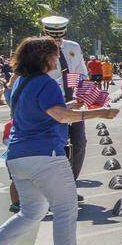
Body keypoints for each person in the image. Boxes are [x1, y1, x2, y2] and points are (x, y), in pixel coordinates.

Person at [0, 36, 119, 245]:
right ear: (44, 59)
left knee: (32, 211)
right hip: (45, 155)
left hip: (18, 156)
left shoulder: (21, 83)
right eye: (54, 55)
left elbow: (47, 109)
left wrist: (75, 104)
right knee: (66, 206)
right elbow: (61, 116)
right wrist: (101, 113)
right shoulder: (47, 83)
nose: (58, 60)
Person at [41, 16, 89, 183]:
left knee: (79, 143)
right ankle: (52, 186)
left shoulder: (72, 47)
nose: (57, 42)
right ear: (45, 33)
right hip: (50, 104)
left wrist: (79, 92)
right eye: (53, 38)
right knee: (53, 145)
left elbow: (79, 73)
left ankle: (70, 183)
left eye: (59, 38)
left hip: (73, 103)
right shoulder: (36, 50)